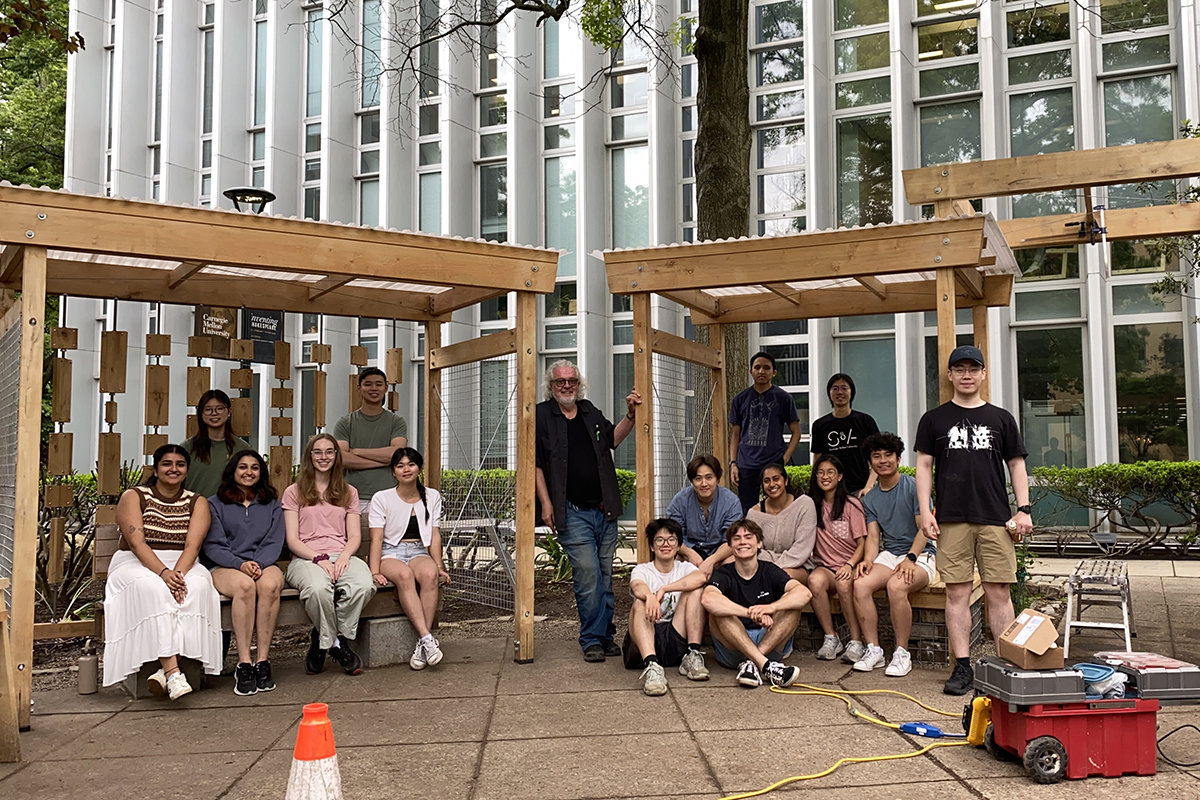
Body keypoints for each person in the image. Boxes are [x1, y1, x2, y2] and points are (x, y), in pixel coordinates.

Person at [915, 345, 1032, 696]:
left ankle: (1007, 667)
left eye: (973, 368)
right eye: (960, 368)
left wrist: (1023, 508)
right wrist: (925, 510)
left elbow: (1016, 465)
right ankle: (962, 667)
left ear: (983, 374)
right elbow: (923, 466)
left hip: (995, 517)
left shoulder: (1001, 418)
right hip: (951, 518)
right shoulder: (933, 419)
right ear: (950, 375)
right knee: (957, 592)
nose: (967, 374)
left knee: (998, 591)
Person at [535, 359, 641, 662]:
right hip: (572, 511)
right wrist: (546, 503)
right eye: (560, 382)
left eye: (572, 381)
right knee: (588, 574)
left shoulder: (590, 411)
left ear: (578, 384)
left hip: (604, 508)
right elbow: (537, 464)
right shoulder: (542, 415)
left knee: (605, 576)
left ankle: (605, 634)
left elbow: (612, 440)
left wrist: (631, 416)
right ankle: (591, 638)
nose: (567, 386)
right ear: (551, 386)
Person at [102, 444, 222, 699]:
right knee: (153, 588)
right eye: (167, 464)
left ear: (187, 470)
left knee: (198, 586)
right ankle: (174, 672)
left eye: (180, 464)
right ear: (156, 469)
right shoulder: (134, 496)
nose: (173, 469)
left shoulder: (197, 501)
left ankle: (162, 670)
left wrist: (177, 574)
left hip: (182, 561)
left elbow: (193, 545)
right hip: (137, 561)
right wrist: (164, 574)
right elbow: (136, 543)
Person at [282, 433, 376, 676]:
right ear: (309, 456)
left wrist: (344, 557)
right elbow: (292, 539)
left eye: (329, 452)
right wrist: (318, 558)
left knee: (364, 585)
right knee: (317, 590)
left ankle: (324, 638)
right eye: (317, 452)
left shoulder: (348, 492)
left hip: (341, 553)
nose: (323, 457)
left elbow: (354, 535)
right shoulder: (294, 492)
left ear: (336, 456)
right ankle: (336, 644)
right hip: (305, 558)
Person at [851, 432, 937, 677]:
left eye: (888, 455)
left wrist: (911, 558)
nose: (883, 460)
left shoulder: (913, 487)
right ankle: (874, 649)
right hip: (890, 554)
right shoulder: (871, 498)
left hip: (921, 553)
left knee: (897, 586)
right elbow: (874, 537)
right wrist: (867, 560)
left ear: (898, 458)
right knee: (860, 584)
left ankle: (901, 653)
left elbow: (925, 528)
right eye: (876, 456)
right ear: (870, 463)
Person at [203, 449, 285, 696]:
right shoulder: (214, 504)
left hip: (263, 563)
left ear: (261, 473)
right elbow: (214, 544)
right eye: (243, 467)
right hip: (225, 567)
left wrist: (257, 563)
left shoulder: (271, 504)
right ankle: (244, 663)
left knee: (269, 585)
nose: (249, 472)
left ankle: (262, 661)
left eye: (255, 468)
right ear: (233, 471)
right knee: (245, 586)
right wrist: (240, 564)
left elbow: (274, 541)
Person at [368, 447, 451, 671]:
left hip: (418, 551)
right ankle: (427, 638)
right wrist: (375, 571)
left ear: (419, 468)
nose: (406, 469)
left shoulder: (432, 496)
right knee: (404, 575)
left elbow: (434, 535)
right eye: (400, 465)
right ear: (393, 471)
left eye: (411, 464)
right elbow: (376, 540)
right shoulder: (381, 498)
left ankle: (422, 645)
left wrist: (440, 565)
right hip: (390, 552)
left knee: (430, 574)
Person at [701, 519, 810, 688]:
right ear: (730, 546)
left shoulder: (770, 570)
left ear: (759, 543)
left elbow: (804, 593)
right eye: (736, 538)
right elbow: (708, 599)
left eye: (748, 537)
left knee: (792, 605)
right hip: (733, 646)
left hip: (769, 641)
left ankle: (752, 663)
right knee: (719, 610)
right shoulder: (723, 573)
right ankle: (765, 666)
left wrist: (771, 608)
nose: (742, 542)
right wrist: (751, 613)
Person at [622, 519, 710, 696]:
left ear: (678, 546)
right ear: (652, 547)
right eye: (659, 540)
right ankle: (652, 668)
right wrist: (649, 597)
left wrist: (664, 589)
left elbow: (700, 578)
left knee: (695, 591)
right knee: (639, 602)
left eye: (671, 539)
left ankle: (692, 654)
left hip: (675, 635)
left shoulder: (684, 568)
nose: (665, 544)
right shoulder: (642, 570)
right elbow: (637, 587)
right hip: (646, 637)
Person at [806, 455, 868, 664]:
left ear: (840, 476)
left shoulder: (852, 505)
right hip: (824, 567)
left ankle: (856, 641)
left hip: (849, 564)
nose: (825, 476)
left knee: (843, 584)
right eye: (820, 472)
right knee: (814, 581)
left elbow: (862, 545)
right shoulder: (810, 506)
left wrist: (850, 565)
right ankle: (831, 637)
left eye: (830, 472)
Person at [729, 352, 802, 514]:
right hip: (746, 463)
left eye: (766, 368)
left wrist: (784, 458)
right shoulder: (740, 399)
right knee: (748, 511)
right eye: (757, 367)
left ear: (774, 372)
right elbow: (735, 435)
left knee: (778, 508)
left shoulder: (783, 398)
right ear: (751, 371)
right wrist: (733, 463)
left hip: (773, 462)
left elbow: (796, 432)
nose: (761, 371)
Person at [333, 367, 408, 516]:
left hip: (390, 494)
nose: (374, 388)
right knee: (357, 538)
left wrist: (357, 451)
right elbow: (342, 458)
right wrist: (385, 460)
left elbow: (397, 453)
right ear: (359, 388)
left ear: (386, 388)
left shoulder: (396, 422)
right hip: (353, 496)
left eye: (379, 384)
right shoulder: (345, 423)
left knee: (389, 539)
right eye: (368, 384)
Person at [666, 455, 742, 575]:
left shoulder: (731, 502)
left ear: (717, 479)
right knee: (673, 559)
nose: (704, 483)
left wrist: (711, 560)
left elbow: (732, 539)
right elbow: (673, 536)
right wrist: (690, 554)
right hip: (689, 551)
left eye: (709, 477)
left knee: (734, 560)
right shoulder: (680, 501)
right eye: (698, 478)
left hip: (720, 553)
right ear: (692, 481)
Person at [746, 462, 816, 584]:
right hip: (763, 567)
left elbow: (802, 549)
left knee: (781, 577)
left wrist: (774, 567)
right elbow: (752, 549)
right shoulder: (754, 514)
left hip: (798, 566)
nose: (772, 484)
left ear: (786, 480)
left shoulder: (804, 505)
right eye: (767, 481)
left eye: (776, 479)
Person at [810, 373, 880, 496]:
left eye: (844, 388)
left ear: (852, 392)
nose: (839, 392)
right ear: (829, 393)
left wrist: (869, 486)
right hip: (832, 491)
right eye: (835, 389)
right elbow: (817, 460)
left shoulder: (865, 421)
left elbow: (878, 455)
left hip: (860, 489)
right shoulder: (819, 425)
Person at [182, 389, 251, 498]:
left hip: (231, 510)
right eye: (208, 409)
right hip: (193, 510)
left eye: (220, 408)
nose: (214, 413)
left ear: (229, 411)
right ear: (201, 413)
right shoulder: (187, 448)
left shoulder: (242, 448)